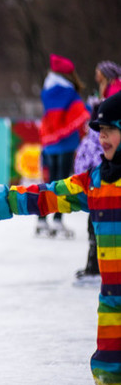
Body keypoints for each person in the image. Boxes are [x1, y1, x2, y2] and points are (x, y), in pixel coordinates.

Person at [0, 92, 121, 385]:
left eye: (112, 129)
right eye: (100, 130)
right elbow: (48, 195)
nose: (103, 136)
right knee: (109, 366)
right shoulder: (96, 182)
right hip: (112, 298)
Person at [73, 62, 121, 284]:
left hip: (101, 164)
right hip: (98, 164)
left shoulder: (114, 90)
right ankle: (94, 264)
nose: (95, 74)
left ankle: (96, 265)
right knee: (96, 211)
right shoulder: (103, 91)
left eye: (98, 71)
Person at [36, 54, 90, 236]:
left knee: (48, 180)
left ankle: (42, 219)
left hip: (49, 142)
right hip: (66, 143)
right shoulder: (69, 92)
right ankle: (58, 220)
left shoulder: (46, 91)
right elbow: (80, 112)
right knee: (62, 183)